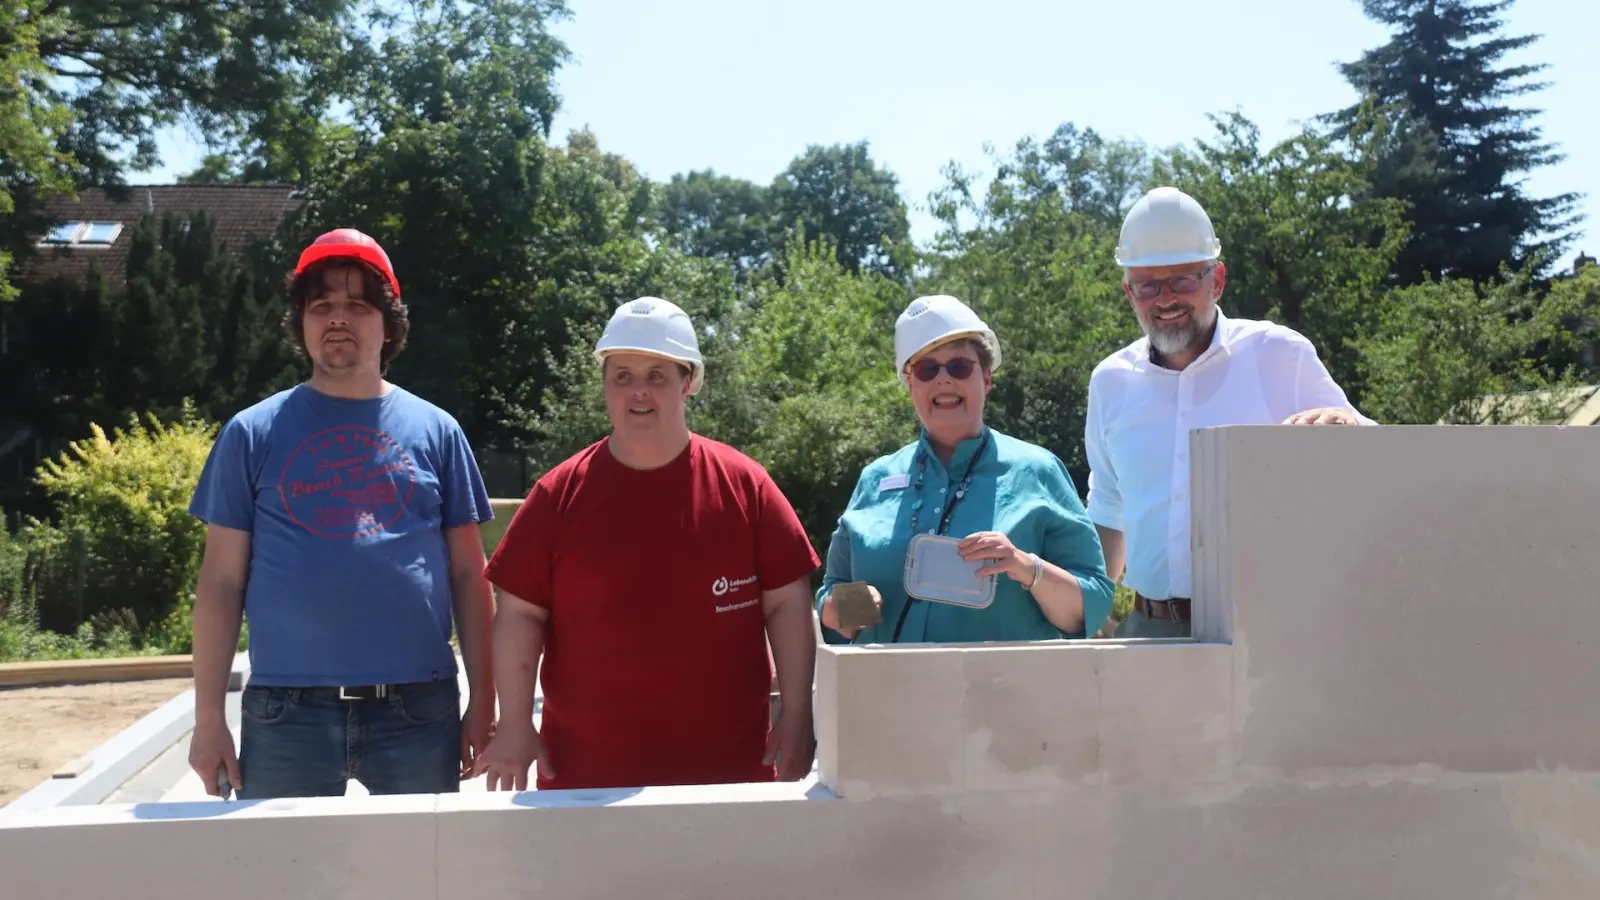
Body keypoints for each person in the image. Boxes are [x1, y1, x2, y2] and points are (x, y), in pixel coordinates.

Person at [186, 228, 497, 799]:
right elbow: (222, 581)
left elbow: (468, 577)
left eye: (358, 305)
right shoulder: (250, 434)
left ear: (389, 323)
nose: (338, 318)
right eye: (322, 305)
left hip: (417, 709)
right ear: (301, 322)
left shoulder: (438, 431)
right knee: (287, 883)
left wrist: (485, 699)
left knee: (418, 882)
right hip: (287, 711)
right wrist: (208, 721)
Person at [470, 297, 821, 792]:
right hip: (584, 779)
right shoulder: (558, 494)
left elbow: (788, 602)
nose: (639, 391)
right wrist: (513, 724)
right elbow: (519, 614)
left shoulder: (746, 486)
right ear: (605, 385)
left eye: (657, 375)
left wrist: (797, 715)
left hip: (727, 779)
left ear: (688, 382)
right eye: (623, 375)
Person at [1084, 187, 1376, 639]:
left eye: (1183, 280)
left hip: (1269, 631)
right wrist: (1090, 613)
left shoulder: (1278, 354)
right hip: (1148, 631)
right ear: (1129, 292)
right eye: (1148, 285)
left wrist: (1349, 427)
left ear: (1216, 280)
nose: (1165, 300)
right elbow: (1108, 509)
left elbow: (1376, 458)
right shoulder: (1110, 382)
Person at [816, 294, 1116, 645]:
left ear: (986, 379)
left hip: (1006, 693)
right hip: (890, 692)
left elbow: (1091, 605)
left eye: (959, 366)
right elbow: (831, 596)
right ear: (910, 384)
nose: (943, 379)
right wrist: (851, 608)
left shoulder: (1037, 470)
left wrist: (1025, 566)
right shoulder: (876, 478)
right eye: (927, 369)